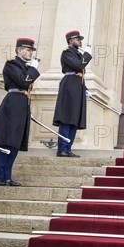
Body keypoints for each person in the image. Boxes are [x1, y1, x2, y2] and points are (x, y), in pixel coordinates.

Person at [0, 38, 40, 186]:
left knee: (15, 142)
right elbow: (23, 82)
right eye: (28, 50)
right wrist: (34, 69)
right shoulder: (11, 64)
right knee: (5, 140)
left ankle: (7, 176)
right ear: (19, 50)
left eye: (31, 50)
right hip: (13, 103)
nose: (30, 53)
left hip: (23, 104)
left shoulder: (24, 67)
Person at [53, 30, 92, 158]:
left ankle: (68, 148)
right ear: (70, 41)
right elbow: (78, 66)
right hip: (69, 86)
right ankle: (62, 149)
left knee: (74, 119)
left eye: (80, 39)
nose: (80, 41)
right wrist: (87, 55)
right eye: (77, 39)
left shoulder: (77, 54)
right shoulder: (67, 53)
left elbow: (80, 74)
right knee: (66, 118)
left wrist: (84, 88)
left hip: (77, 86)